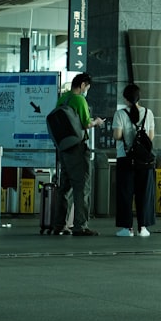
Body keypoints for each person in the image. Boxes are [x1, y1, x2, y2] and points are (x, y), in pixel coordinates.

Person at [54, 72, 104, 236]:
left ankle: (59, 223)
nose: (86, 90)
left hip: (63, 148)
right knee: (82, 186)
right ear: (82, 85)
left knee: (65, 186)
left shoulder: (63, 98)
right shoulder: (79, 99)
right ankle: (80, 225)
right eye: (87, 87)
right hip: (77, 148)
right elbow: (86, 123)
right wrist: (97, 122)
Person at [112, 83, 156, 237]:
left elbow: (117, 136)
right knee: (144, 193)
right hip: (144, 160)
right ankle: (143, 227)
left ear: (126, 98)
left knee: (125, 193)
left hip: (125, 158)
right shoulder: (148, 113)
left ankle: (127, 228)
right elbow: (150, 137)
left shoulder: (120, 114)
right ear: (139, 98)